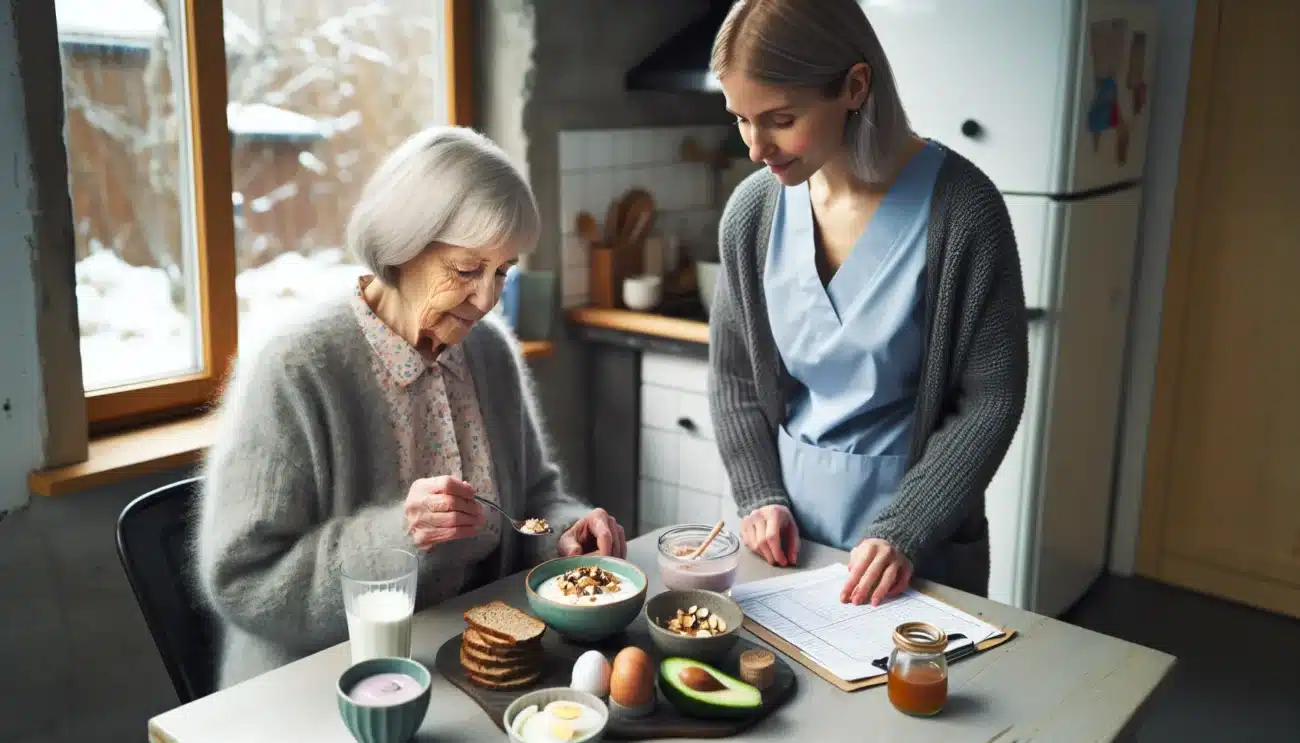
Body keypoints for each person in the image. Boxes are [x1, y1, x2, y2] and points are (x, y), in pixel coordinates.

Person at [194, 125, 627, 689]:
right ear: (402, 247)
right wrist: (401, 535)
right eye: (467, 269)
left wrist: (564, 534)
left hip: (471, 660)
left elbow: (534, 498)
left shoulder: (489, 351)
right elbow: (243, 580)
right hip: (321, 683)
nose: (488, 298)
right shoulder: (294, 367)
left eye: (502, 271)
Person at [706, 0, 1028, 607]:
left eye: (780, 119)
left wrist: (905, 529)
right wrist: (758, 496)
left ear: (855, 86)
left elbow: (991, 400)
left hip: (917, 548)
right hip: (787, 545)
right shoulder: (752, 213)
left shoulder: (964, 211)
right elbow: (735, 380)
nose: (756, 147)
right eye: (741, 119)